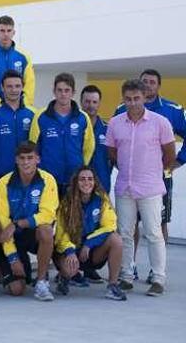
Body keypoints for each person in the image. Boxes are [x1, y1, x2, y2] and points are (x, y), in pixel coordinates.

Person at [106, 79, 176, 297]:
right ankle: (126, 275)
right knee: (125, 232)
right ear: (123, 98)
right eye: (128, 99)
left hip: (151, 187)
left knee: (154, 233)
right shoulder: (115, 123)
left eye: (137, 98)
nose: (133, 103)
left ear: (144, 97)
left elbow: (170, 154)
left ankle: (158, 278)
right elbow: (112, 153)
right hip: (125, 187)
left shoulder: (160, 122)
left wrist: (152, 171)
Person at [114, 69, 186, 247]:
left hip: (158, 178)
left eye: (152, 82)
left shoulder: (172, 110)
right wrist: (120, 164)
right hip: (129, 179)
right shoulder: (122, 109)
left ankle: (158, 269)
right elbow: (113, 142)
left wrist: (178, 161)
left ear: (159, 86)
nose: (148, 85)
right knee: (129, 225)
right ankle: (131, 266)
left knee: (158, 224)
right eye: (144, 81)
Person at [0, 141, 59, 301]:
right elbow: (4, 224)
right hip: (11, 239)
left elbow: (48, 214)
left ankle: (41, 281)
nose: (25, 162)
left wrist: (18, 223)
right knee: (16, 290)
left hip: (32, 233)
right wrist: (13, 258)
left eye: (30, 158)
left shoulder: (48, 180)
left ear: (38, 159)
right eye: (22, 158)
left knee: (46, 230)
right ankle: (17, 269)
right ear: (16, 160)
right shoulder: (4, 183)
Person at [53, 166, 126, 301]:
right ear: (76, 182)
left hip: (91, 251)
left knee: (116, 240)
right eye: (82, 179)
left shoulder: (101, 199)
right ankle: (64, 277)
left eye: (90, 179)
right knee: (70, 270)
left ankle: (112, 286)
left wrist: (89, 244)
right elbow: (60, 234)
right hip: (71, 251)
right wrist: (69, 251)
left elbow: (110, 225)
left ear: (95, 181)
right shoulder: (66, 202)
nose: (86, 183)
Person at [29, 73, 94, 194]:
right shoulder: (41, 116)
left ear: (73, 92)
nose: (63, 94)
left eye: (67, 90)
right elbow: (33, 146)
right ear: (54, 91)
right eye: (59, 90)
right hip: (48, 179)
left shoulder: (82, 118)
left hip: (74, 180)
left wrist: (80, 167)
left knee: (72, 213)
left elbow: (88, 146)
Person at [0, 70, 37, 178]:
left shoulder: (33, 113)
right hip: (0, 175)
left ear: (22, 87)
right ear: (2, 87)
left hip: (27, 175)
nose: (14, 90)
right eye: (9, 86)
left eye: (17, 86)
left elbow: (37, 145)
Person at [0, 15, 35, 107]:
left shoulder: (23, 56)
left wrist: (23, 104)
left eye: (9, 30)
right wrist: (1, 104)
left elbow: (29, 85)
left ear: (14, 32)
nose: (6, 34)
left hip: (20, 108)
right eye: (2, 30)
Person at [81, 85, 112, 194]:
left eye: (94, 102)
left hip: (102, 185)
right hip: (79, 186)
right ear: (81, 102)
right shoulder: (74, 129)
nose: (91, 105)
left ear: (99, 104)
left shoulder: (108, 129)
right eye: (87, 102)